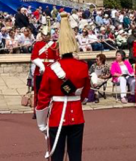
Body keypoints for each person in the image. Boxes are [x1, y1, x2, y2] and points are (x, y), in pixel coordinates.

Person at [35, 13, 90, 161]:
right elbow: (85, 94)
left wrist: (41, 123)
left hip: (57, 117)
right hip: (77, 116)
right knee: (75, 155)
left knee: (57, 156)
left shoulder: (51, 69)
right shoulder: (83, 67)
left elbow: (43, 98)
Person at [30, 25, 59, 118]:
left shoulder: (54, 44)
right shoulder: (37, 44)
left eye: (47, 35)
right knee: (38, 92)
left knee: (51, 91)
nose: (45, 37)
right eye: (43, 35)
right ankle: (37, 111)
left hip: (51, 69)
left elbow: (57, 58)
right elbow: (34, 57)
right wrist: (42, 66)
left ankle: (49, 109)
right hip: (40, 70)